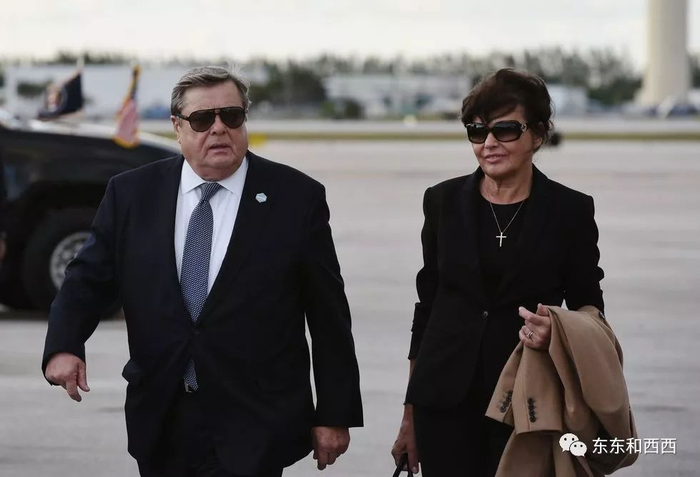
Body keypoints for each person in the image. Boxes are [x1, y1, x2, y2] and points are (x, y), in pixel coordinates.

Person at [43, 66, 363, 477]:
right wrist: (64, 344)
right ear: (177, 127)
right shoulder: (132, 194)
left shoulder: (296, 198)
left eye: (231, 116)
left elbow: (328, 314)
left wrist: (335, 413)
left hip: (254, 420)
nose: (219, 128)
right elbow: (87, 280)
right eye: (202, 119)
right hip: (162, 415)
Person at [391, 68, 605, 477]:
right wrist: (410, 415)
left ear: (538, 134)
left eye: (505, 130)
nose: (488, 143)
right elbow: (428, 310)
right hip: (443, 405)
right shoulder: (441, 201)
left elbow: (590, 308)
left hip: (527, 402)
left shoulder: (570, 211)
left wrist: (558, 331)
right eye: (477, 131)